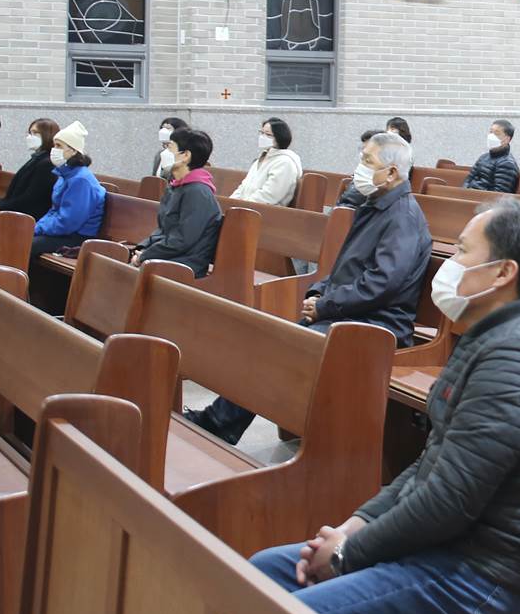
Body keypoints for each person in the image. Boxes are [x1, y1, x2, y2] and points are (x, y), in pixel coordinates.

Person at [248, 202, 520, 614]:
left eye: (462, 251)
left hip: (482, 576)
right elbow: (431, 464)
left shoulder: (515, 360)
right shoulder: (493, 336)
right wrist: (353, 527)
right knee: (262, 571)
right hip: (449, 548)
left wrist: (349, 553)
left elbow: (448, 500)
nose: (450, 264)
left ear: (503, 273)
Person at [190, 132, 431, 445]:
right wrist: (318, 292)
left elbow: (382, 283)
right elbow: (344, 267)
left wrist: (326, 305)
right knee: (270, 341)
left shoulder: (402, 218)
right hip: (349, 314)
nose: (358, 168)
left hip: (379, 325)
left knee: (290, 348)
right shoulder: (375, 206)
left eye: (367, 161)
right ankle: (219, 422)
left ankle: (227, 425)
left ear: (392, 172)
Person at [134, 128, 222, 277]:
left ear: (186, 155)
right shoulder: (176, 187)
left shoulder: (198, 192)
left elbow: (182, 240)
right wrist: (143, 248)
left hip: (186, 264)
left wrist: (145, 256)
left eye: (170, 147)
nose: (165, 153)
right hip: (171, 257)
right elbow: (163, 230)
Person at [31, 122, 104, 260]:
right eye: (54, 145)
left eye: (59, 146)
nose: (54, 150)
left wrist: (37, 230)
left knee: (29, 244)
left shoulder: (81, 180)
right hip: (65, 232)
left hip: (78, 237)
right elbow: (54, 210)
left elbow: (69, 222)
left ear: (73, 151)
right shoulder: (65, 174)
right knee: (21, 237)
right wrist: (37, 227)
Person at [230, 117, 303, 207]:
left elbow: (270, 195)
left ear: (279, 137)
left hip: (266, 211)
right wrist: (231, 203)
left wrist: (243, 206)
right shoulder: (262, 158)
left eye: (268, 134)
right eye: (261, 133)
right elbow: (243, 187)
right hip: (247, 207)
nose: (262, 137)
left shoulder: (285, 162)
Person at [0, 118, 60, 221]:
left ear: (47, 135)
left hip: (29, 218)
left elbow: (32, 197)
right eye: (29, 133)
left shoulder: (47, 163)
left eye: (35, 133)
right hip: (18, 212)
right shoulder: (38, 158)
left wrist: (2, 205)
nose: (30, 137)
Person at [464, 120, 520, 194]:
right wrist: (464, 193)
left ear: (507, 139)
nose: (491, 136)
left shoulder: (507, 163)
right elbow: (468, 180)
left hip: (483, 199)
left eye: (496, 133)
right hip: (470, 196)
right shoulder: (483, 157)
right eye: (491, 132)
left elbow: (499, 194)